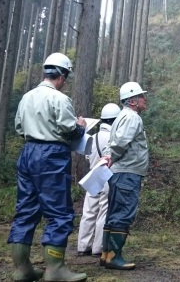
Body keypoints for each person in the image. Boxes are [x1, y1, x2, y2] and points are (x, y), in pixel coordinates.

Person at [7, 52, 88, 282]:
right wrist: (80, 126)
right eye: (66, 78)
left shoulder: (27, 97)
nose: (65, 82)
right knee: (59, 211)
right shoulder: (60, 99)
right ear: (61, 76)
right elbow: (69, 131)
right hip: (52, 155)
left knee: (25, 209)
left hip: (28, 152)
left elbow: (20, 128)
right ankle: (55, 270)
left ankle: (22, 269)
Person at [101, 81, 149, 270]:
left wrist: (108, 157)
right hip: (127, 172)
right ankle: (114, 257)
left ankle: (106, 256)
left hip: (119, 173)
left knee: (113, 213)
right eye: (142, 96)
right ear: (133, 101)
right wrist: (111, 157)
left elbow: (113, 142)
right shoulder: (132, 118)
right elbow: (120, 142)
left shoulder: (122, 116)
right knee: (123, 213)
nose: (145, 99)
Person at [77, 103, 121, 258]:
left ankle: (83, 246)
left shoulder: (92, 137)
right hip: (107, 176)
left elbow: (87, 155)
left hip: (93, 176)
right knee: (103, 212)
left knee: (88, 211)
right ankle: (98, 247)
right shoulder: (115, 138)